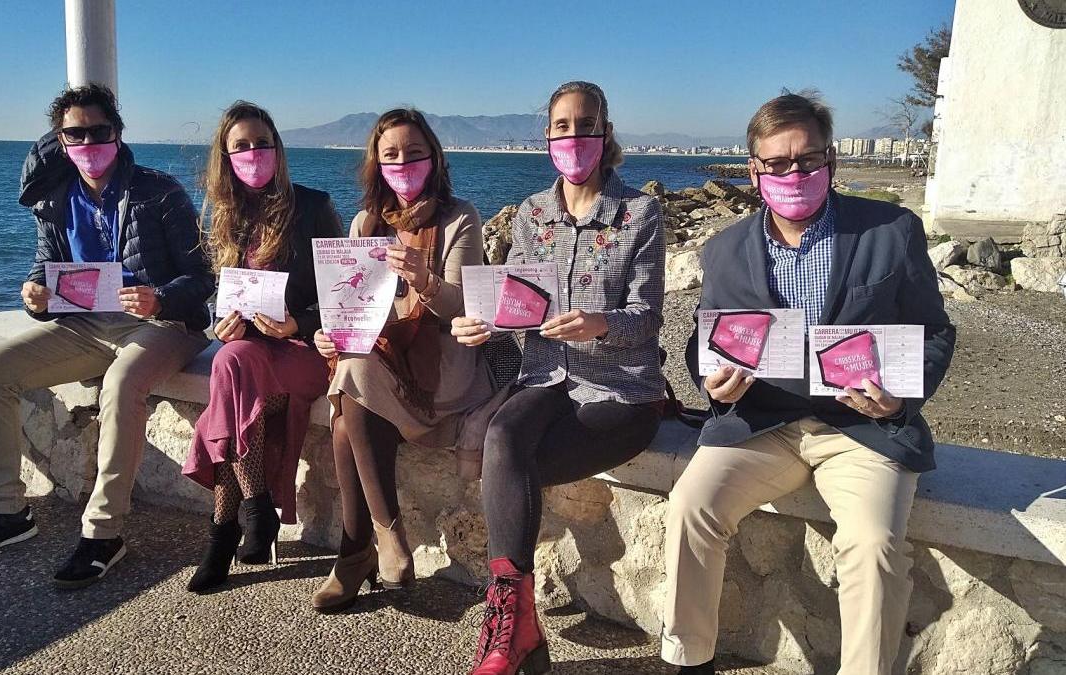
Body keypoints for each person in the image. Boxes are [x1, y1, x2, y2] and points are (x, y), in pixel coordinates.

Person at [659, 91, 956, 675]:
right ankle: (688, 659)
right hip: (761, 425)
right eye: (777, 163)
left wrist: (901, 393)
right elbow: (708, 339)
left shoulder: (892, 231)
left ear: (831, 161)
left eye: (808, 160)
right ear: (755, 170)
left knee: (871, 546)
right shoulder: (725, 249)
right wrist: (710, 381)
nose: (794, 173)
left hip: (862, 429)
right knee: (691, 505)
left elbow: (935, 333)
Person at [0, 84, 214, 590]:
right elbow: (45, 271)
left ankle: (103, 533)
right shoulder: (53, 199)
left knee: (123, 382)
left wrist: (160, 297)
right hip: (86, 325)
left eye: (98, 130)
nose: (88, 140)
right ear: (59, 140)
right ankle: (4, 512)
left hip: (164, 325)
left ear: (118, 132)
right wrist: (33, 296)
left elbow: (203, 273)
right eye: (74, 133)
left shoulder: (160, 190)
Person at [451, 81, 668, 675]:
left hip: (622, 388)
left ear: (606, 132)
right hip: (544, 376)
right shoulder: (532, 214)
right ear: (547, 136)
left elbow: (649, 318)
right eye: (562, 126)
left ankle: (510, 633)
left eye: (587, 124)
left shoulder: (640, 212)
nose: (575, 136)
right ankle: (515, 622)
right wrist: (484, 326)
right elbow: (518, 304)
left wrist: (600, 323)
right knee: (503, 437)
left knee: (509, 467)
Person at [310, 108, 493, 614]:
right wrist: (330, 334)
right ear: (376, 163)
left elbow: (464, 305)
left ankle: (366, 548)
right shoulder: (366, 222)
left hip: (444, 368)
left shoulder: (461, 217)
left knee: (349, 401)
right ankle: (373, 547)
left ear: (434, 158)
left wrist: (423, 278)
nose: (403, 163)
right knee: (350, 384)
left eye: (414, 153)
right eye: (391, 155)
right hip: (383, 364)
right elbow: (351, 304)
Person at [181, 101, 342, 593]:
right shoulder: (226, 219)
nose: (253, 153)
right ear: (225, 157)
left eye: (261, 143)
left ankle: (225, 528)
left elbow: (342, 292)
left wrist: (298, 320)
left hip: (305, 351)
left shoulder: (313, 207)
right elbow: (221, 299)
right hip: (249, 357)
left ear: (278, 148)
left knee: (227, 400)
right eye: (241, 146)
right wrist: (222, 324)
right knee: (230, 358)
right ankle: (251, 512)